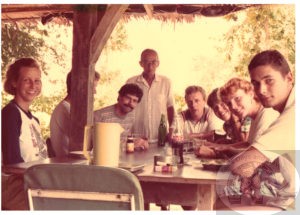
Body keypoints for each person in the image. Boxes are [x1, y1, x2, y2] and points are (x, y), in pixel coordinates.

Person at [229, 50, 295, 210]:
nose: (261, 90)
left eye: (269, 81)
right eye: (256, 83)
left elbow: (242, 165)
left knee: (219, 205)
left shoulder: (293, 115)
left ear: (289, 78)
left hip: (291, 205)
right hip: (285, 198)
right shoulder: (284, 111)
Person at [2, 58, 48, 210]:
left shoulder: (34, 120)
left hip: (35, 185)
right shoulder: (10, 114)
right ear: (14, 82)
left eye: (37, 80)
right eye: (27, 80)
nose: (33, 85)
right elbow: (12, 163)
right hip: (16, 188)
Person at [126, 49, 175, 143]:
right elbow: (125, 108)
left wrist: (171, 131)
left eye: (153, 62)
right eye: (146, 62)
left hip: (161, 139)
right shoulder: (131, 82)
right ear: (141, 63)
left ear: (158, 63)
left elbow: (170, 107)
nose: (150, 65)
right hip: (137, 139)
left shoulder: (166, 82)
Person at [50, 71, 100, 158]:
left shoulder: (71, 109)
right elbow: (87, 141)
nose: (95, 92)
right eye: (93, 87)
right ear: (79, 87)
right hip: (67, 165)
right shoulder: (65, 110)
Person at [94, 83, 148, 150]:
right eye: (128, 98)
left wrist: (140, 143)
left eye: (134, 101)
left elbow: (122, 139)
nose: (130, 103)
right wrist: (131, 145)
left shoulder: (131, 116)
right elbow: (98, 145)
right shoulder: (99, 115)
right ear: (119, 97)